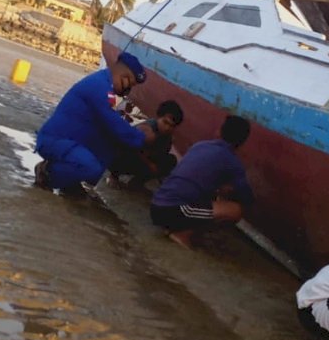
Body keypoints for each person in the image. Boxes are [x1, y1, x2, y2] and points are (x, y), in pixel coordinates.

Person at [33, 52, 154, 194]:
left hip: (73, 139)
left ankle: (71, 181)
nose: (128, 89)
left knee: (109, 148)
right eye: (129, 83)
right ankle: (48, 173)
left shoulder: (105, 85)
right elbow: (112, 121)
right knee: (90, 167)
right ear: (123, 75)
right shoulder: (99, 86)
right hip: (56, 140)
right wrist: (140, 137)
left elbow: (111, 124)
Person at [149, 115, 253, 248]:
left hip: (157, 203)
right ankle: (181, 234)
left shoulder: (200, 145)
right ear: (242, 142)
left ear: (219, 132)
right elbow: (246, 197)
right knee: (235, 210)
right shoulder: (233, 162)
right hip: (170, 209)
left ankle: (175, 227)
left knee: (209, 194)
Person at [107, 99, 184, 188]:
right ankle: (113, 175)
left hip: (142, 161)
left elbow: (160, 155)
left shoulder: (168, 138)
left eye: (171, 126)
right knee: (125, 150)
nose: (167, 128)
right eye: (165, 122)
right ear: (158, 117)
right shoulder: (147, 129)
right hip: (124, 158)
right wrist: (150, 164)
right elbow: (129, 145)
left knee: (171, 161)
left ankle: (137, 181)